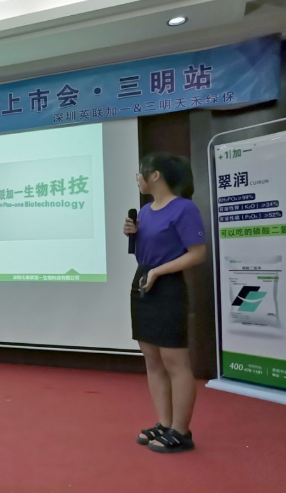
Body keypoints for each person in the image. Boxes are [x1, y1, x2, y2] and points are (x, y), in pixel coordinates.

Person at [123, 152, 206, 453]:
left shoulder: (184, 208)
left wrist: (159, 271)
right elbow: (142, 254)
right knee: (152, 359)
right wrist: (132, 234)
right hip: (143, 282)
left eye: (140, 172)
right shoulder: (145, 211)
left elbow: (197, 253)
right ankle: (164, 423)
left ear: (155, 175)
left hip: (167, 285)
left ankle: (181, 431)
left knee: (174, 361)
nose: (137, 178)